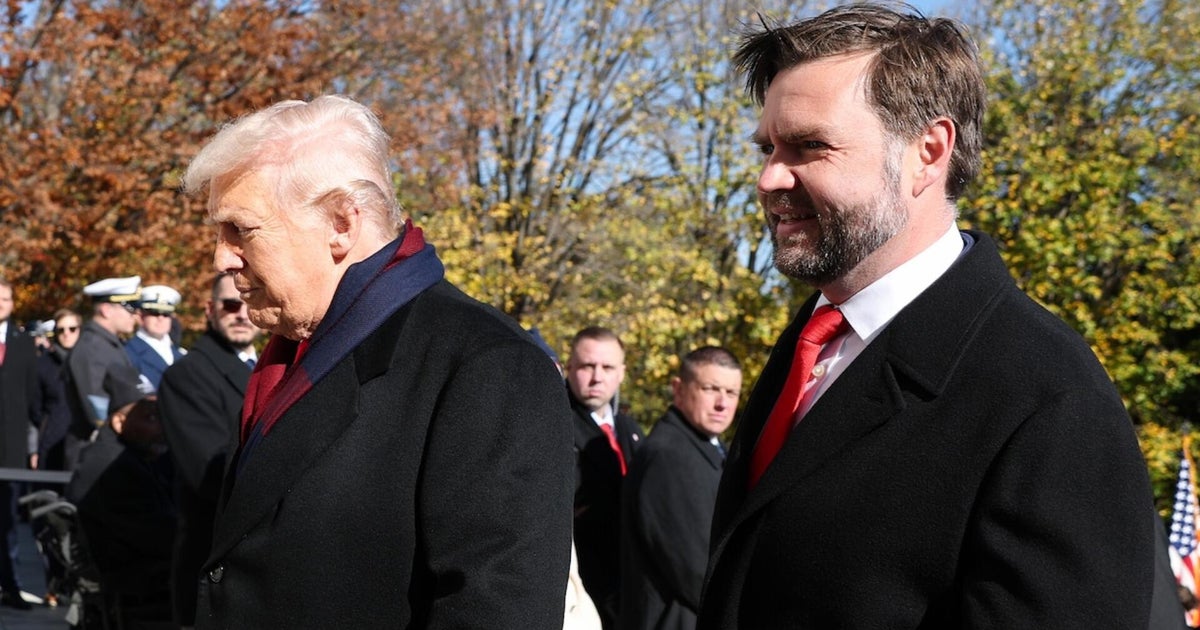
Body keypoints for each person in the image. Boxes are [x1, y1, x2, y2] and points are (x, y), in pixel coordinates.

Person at [699, 5, 1156, 629]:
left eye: (811, 146)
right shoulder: (813, 342)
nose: (769, 177)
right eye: (769, 147)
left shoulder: (1048, 396)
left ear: (928, 150)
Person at [180, 94, 573, 629]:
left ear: (341, 223)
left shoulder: (489, 366)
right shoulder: (294, 353)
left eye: (240, 229)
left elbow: (496, 610)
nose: (221, 257)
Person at [158, 273, 260, 629]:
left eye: (250, 300)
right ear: (209, 310)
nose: (242, 313)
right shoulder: (187, 375)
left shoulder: (271, 367)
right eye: (231, 304)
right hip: (217, 571)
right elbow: (211, 475)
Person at [621, 347, 740, 630]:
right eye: (711, 388)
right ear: (679, 389)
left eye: (732, 392)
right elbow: (696, 569)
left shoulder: (706, 446)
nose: (722, 403)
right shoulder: (671, 456)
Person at [65, 382, 176, 627]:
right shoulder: (116, 467)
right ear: (118, 422)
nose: (162, 428)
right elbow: (160, 537)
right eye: (151, 418)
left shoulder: (122, 455)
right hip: (136, 590)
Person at [564, 326, 643, 628]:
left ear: (621, 373)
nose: (597, 377)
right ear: (570, 367)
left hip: (628, 584)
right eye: (587, 366)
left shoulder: (630, 429)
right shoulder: (554, 423)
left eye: (607, 367)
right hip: (582, 587)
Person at [65, 275, 144, 468]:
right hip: (94, 453)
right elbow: (97, 411)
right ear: (106, 309)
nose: (136, 314)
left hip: (112, 448)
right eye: (130, 307)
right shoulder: (92, 347)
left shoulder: (108, 344)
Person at [0, 278, 36, 610]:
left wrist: (35, 444)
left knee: (8, 522)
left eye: (6, 298)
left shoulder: (24, 343)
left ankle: (11, 584)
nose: (1, 303)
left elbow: (36, 397)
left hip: (9, 451)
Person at [33, 309, 82, 473]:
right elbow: (35, 407)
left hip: (82, 442)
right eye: (61, 330)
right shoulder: (43, 365)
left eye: (72, 329)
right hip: (52, 441)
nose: (66, 334)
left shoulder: (89, 362)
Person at [125, 285, 186, 392]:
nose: (160, 318)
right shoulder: (127, 352)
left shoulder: (181, 355)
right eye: (154, 313)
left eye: (166, 314)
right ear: (140, 316)